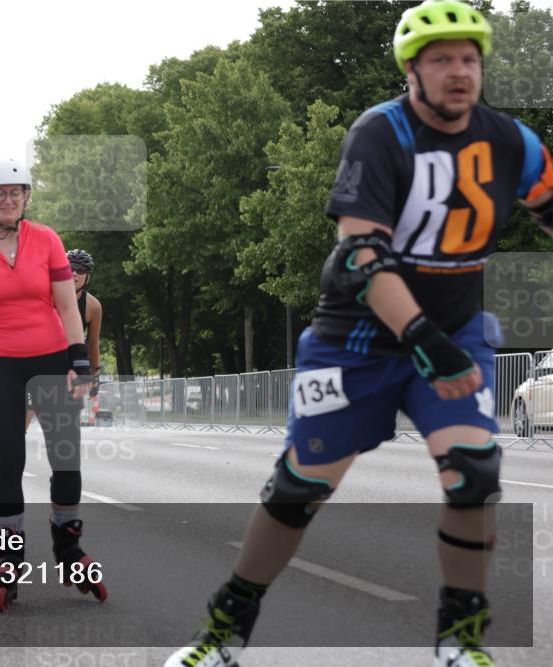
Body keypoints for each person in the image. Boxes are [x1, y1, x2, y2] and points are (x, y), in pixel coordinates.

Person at [165, 2, 553, 666]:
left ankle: (459, 640)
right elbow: (359, 254)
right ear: (412, 70)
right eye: (441, 60)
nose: (458, 72)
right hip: (357, 341)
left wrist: (441, 338)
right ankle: (225, 629)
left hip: (457, 331)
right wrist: (425, 339)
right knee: (299, 490)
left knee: (474, 473)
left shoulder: (511, 141)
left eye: (469, 59)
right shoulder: (382, 133)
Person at [0, 158, 107, 613]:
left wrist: (78, 360)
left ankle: (68, 549)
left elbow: (68, 307)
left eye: (16, 192)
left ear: (26, 197)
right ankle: (10, 558)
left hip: (51, 356)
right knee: (9, 460)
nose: (8, 199)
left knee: (65, 456)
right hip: (2, 361)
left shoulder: (48, 240)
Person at [26, 249, 103, 431]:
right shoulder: (45, 295)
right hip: (38, 360)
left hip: (69, 366)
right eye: (70, 268)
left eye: (81, 270)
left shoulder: (93, 306)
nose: (75, 273)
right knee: (26, 413)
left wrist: (95, 373)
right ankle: (1, 455)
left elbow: (93, 342)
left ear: (88, 277)